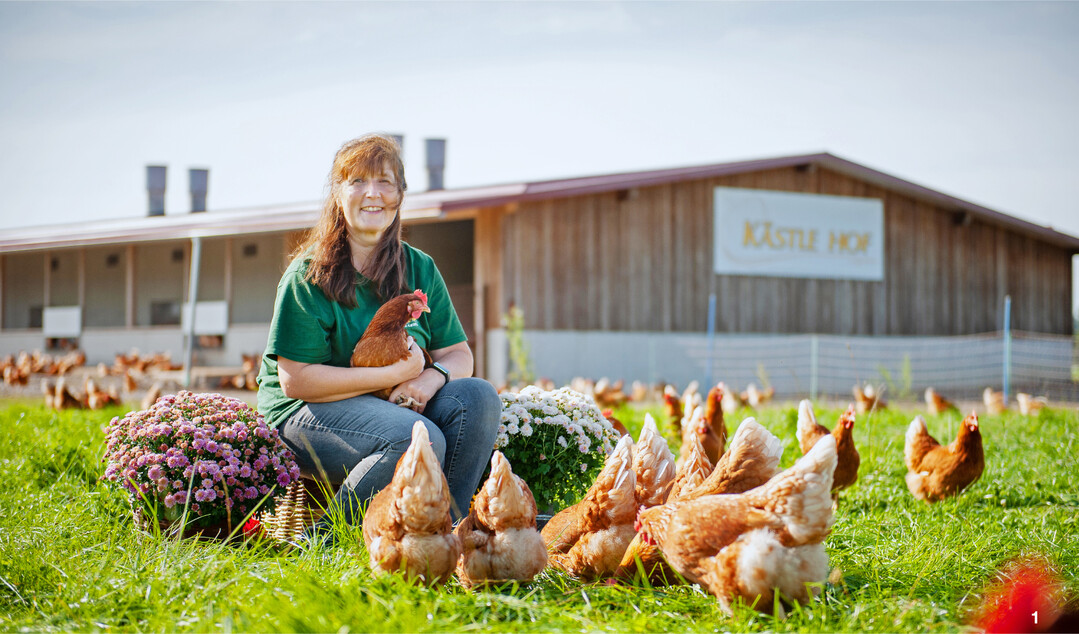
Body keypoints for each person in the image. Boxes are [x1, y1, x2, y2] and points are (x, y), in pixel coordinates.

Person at [256, 133, 500, 539]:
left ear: (401, 195)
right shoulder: (308, 275)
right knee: (412, 438)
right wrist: (392, 378)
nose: (373, 194)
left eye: (385, 181)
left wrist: (427, 378)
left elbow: (459, 353)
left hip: (388, 404)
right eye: (357, 181)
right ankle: (325, 543)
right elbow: (297, 380)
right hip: (303, 411)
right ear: (337, 193)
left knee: (478, 397)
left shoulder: (418, 267)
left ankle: (446, 535)